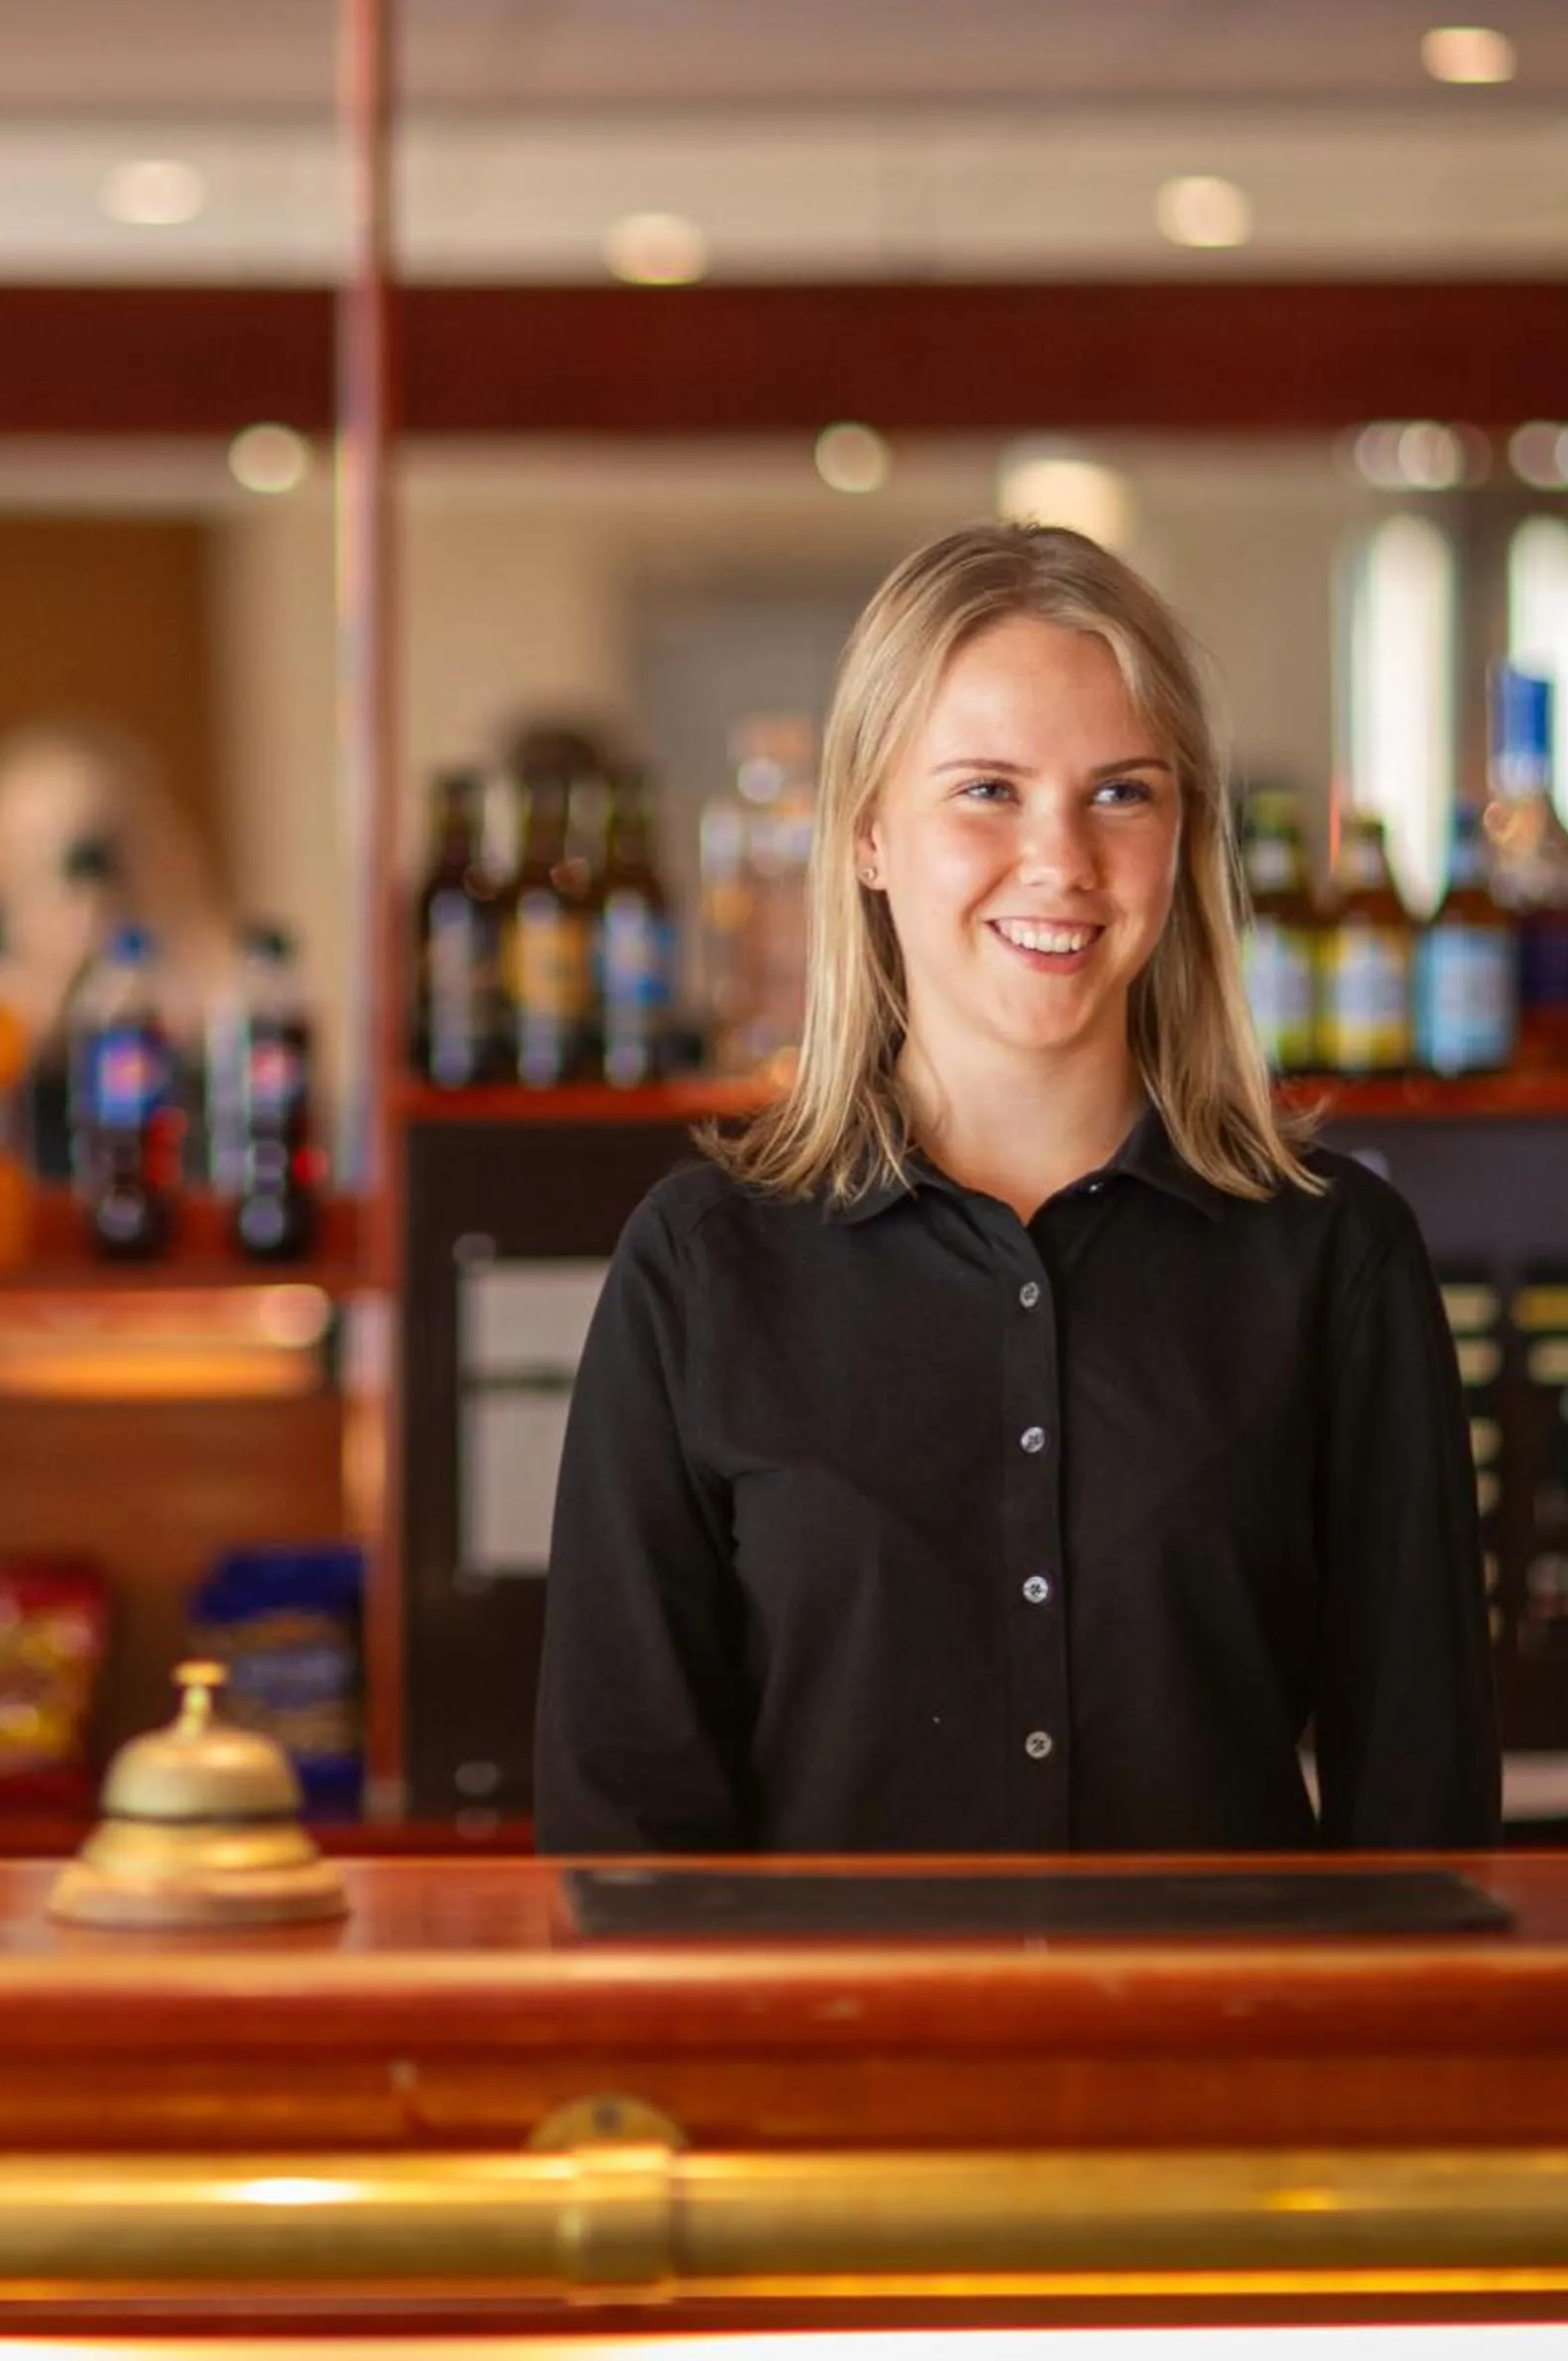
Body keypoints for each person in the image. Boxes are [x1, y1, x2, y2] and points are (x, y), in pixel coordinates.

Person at [535, 522, 1499, 1856]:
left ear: (1185, 841)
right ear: (868, 835)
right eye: (987, 790)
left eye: (1121, 794)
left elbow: (1423, 1801)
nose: (1061, 860)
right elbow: (622, 1824)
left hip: (1220, 2063)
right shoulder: (701, 1266)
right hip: (830, 2065)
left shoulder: (1337, 1259)